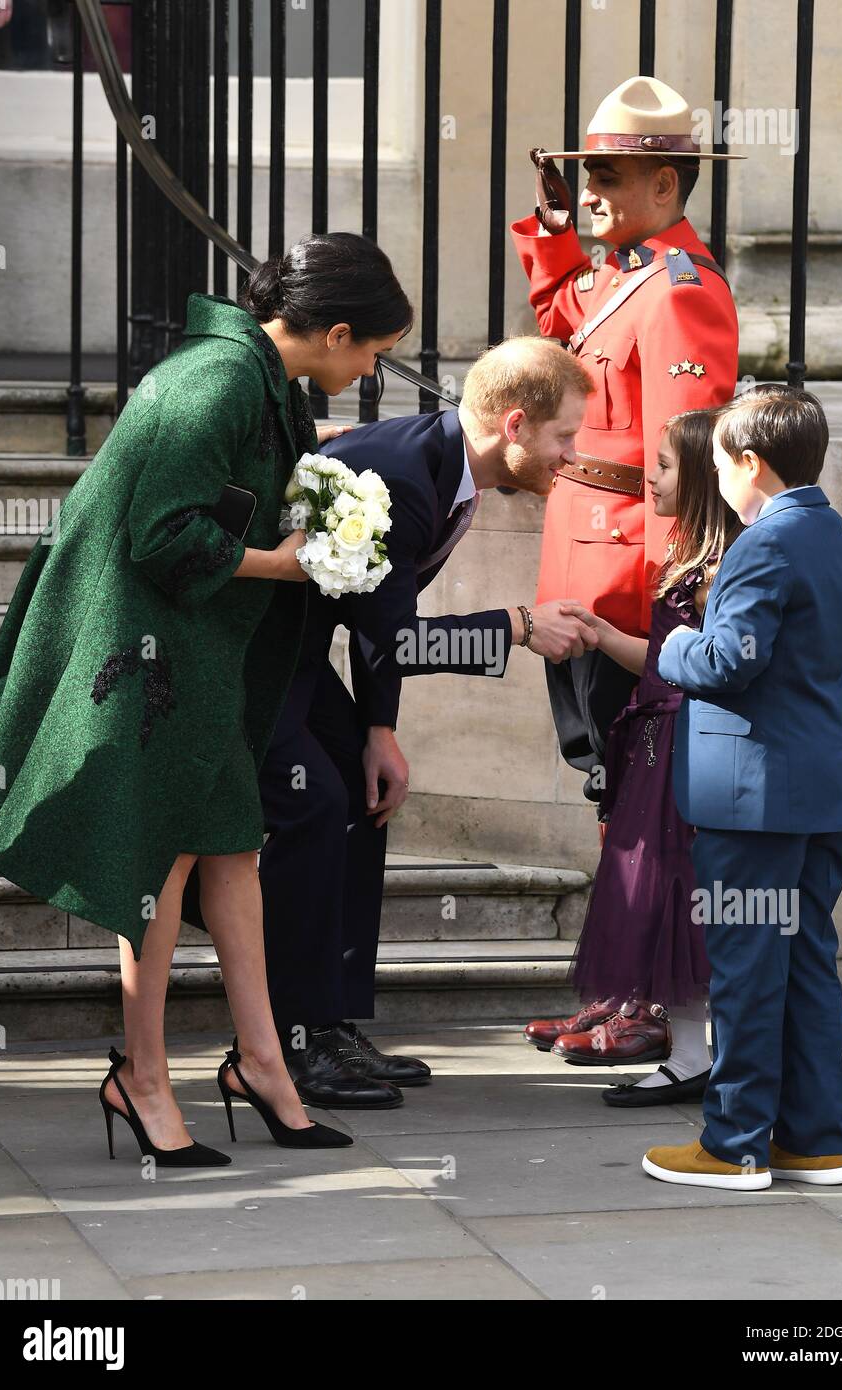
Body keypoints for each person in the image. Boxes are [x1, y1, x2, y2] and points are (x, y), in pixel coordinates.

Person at [0, 232, 412, 1164]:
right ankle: (142, 1077)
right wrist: (292, 565)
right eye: (372, 352)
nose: (371, 370)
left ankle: (263, 1064)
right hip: (147, 656)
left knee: (230, 854)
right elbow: (161, 537)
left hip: (194, 654)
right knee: (164, 862)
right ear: (335, 332)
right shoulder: (219, 379)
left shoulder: (258, 378)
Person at [255, 337, 601, 1110]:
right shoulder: (408, 479)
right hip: (255, 660)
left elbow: (379, 616)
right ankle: (288, 1041)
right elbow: (401, 637)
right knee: (316, 810)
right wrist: (516, 624)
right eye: (565, 437)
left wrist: (380, 731)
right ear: (514, 425)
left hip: (304, 657)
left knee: (361, 794)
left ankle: (330, 1023)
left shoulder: (447, 468)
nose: (572, 456)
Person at [642, 384, 842, 1191]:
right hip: (822, 788)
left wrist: (670, 643)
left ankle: (734, 1142)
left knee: (746, 966)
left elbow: (725, 663)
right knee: (807, 961)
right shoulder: (836, 534)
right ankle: (815, 1141)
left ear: (750, 463)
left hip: (755, 796)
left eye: (718, 463)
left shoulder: (763, 543)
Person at [510, 74, 741, 806]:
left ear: (665, 184)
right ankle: (625, 921)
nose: (586, 196)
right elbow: (559, 317)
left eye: (604, 178)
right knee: (604, 771)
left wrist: (671, 598)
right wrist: (553, 232)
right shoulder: (622, 276)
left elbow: (688, 461)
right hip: (580, 573)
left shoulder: (680, 292)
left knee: (633, 777)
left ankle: (636, 923)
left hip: (627, 589)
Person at [541, 409, 740, 1103]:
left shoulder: (724, 564)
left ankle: (699, 1057)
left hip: (691, 753)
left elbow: (707, 668)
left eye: (661, 465)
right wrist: (599, 633)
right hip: (660, 747)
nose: (646, 476)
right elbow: (662, 660)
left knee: (684, 900)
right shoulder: (689, 553)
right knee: (660, 901)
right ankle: (689, 1054)